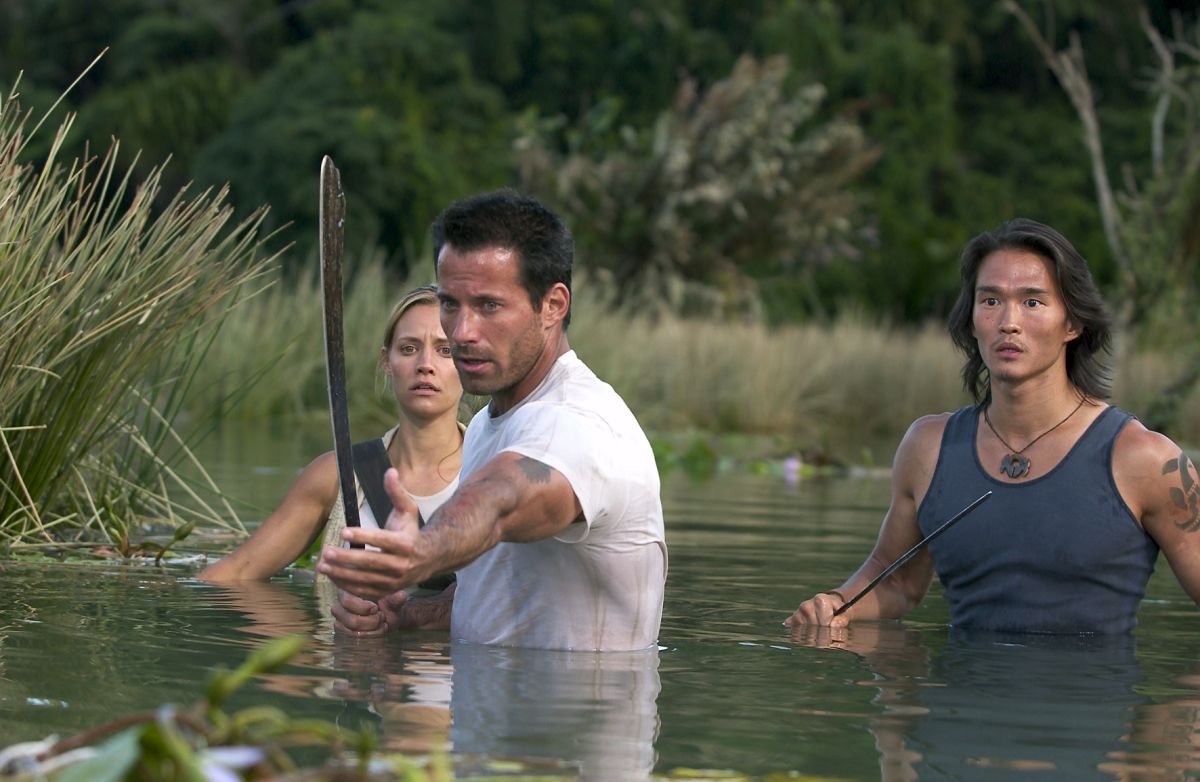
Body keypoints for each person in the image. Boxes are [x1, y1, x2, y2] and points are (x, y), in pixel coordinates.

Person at [787, 218, 1200, 633]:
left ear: (1073, 324)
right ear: (971, 319)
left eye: (1032, 302)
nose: (1009, 322)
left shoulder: (1145, 459)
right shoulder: (929, 448)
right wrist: (834, 607)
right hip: (960, 692)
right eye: (990, 301)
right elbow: (896, 580)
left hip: (1090, 691)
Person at [318, 189, 667, 652]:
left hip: (575, 720)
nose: (461, 332)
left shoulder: (582, 424)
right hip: (487, 719)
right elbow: (489, 590)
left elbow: (502, 500)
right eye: (450, 303)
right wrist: (404, 616)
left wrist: (423, 551)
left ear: (553, 305)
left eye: (489, 306)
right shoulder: (487, 423)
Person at [199, 284, 465, 587]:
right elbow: (237, 573)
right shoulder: (336, 475)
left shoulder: (495, 470)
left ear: (467, 360)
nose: (425, 365)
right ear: (386, 361)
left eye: (445, 350)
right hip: (344, 635)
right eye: (408, 348)